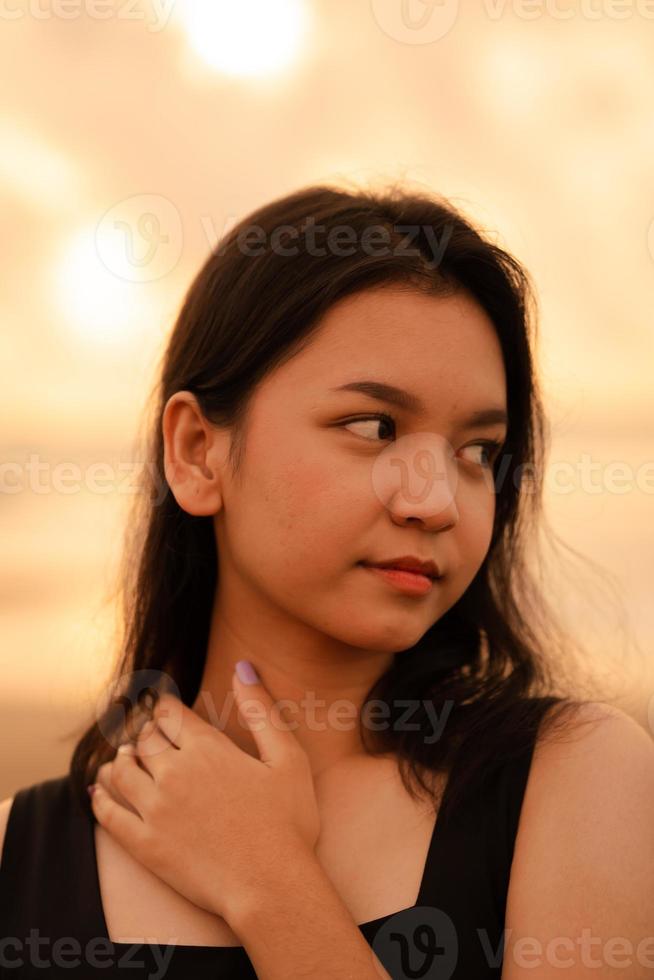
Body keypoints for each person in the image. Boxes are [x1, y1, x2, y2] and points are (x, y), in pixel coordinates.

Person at [1, 181, 653, 979]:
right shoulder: (17, 864)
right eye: (374, 427)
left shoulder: (574, 782)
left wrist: (271, 886)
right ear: (198, 453)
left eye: (477, 451)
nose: (436, 500)